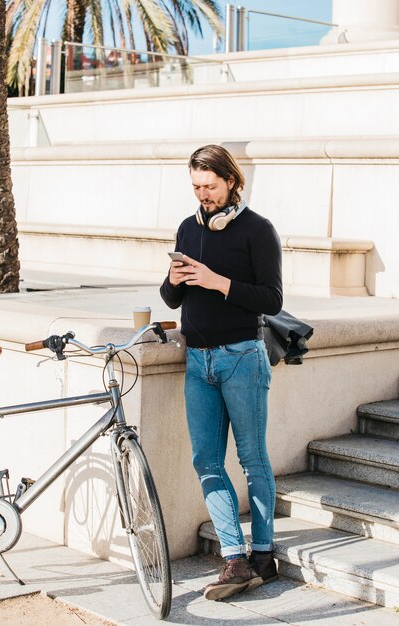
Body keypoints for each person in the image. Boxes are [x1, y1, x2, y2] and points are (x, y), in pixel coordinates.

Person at [160, 144, 283, 601]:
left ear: (232, 181)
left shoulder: (258, 230)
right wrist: (174, 280)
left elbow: (271, 299)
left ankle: (264, 554)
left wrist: (218, 283)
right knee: (206, 461)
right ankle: (234, 558)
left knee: (252, 459)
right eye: (196, 187)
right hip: (198, 362)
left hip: (242, 359)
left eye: (210, 187)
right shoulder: (187, 229)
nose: (203, 195)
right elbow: (172, 300)